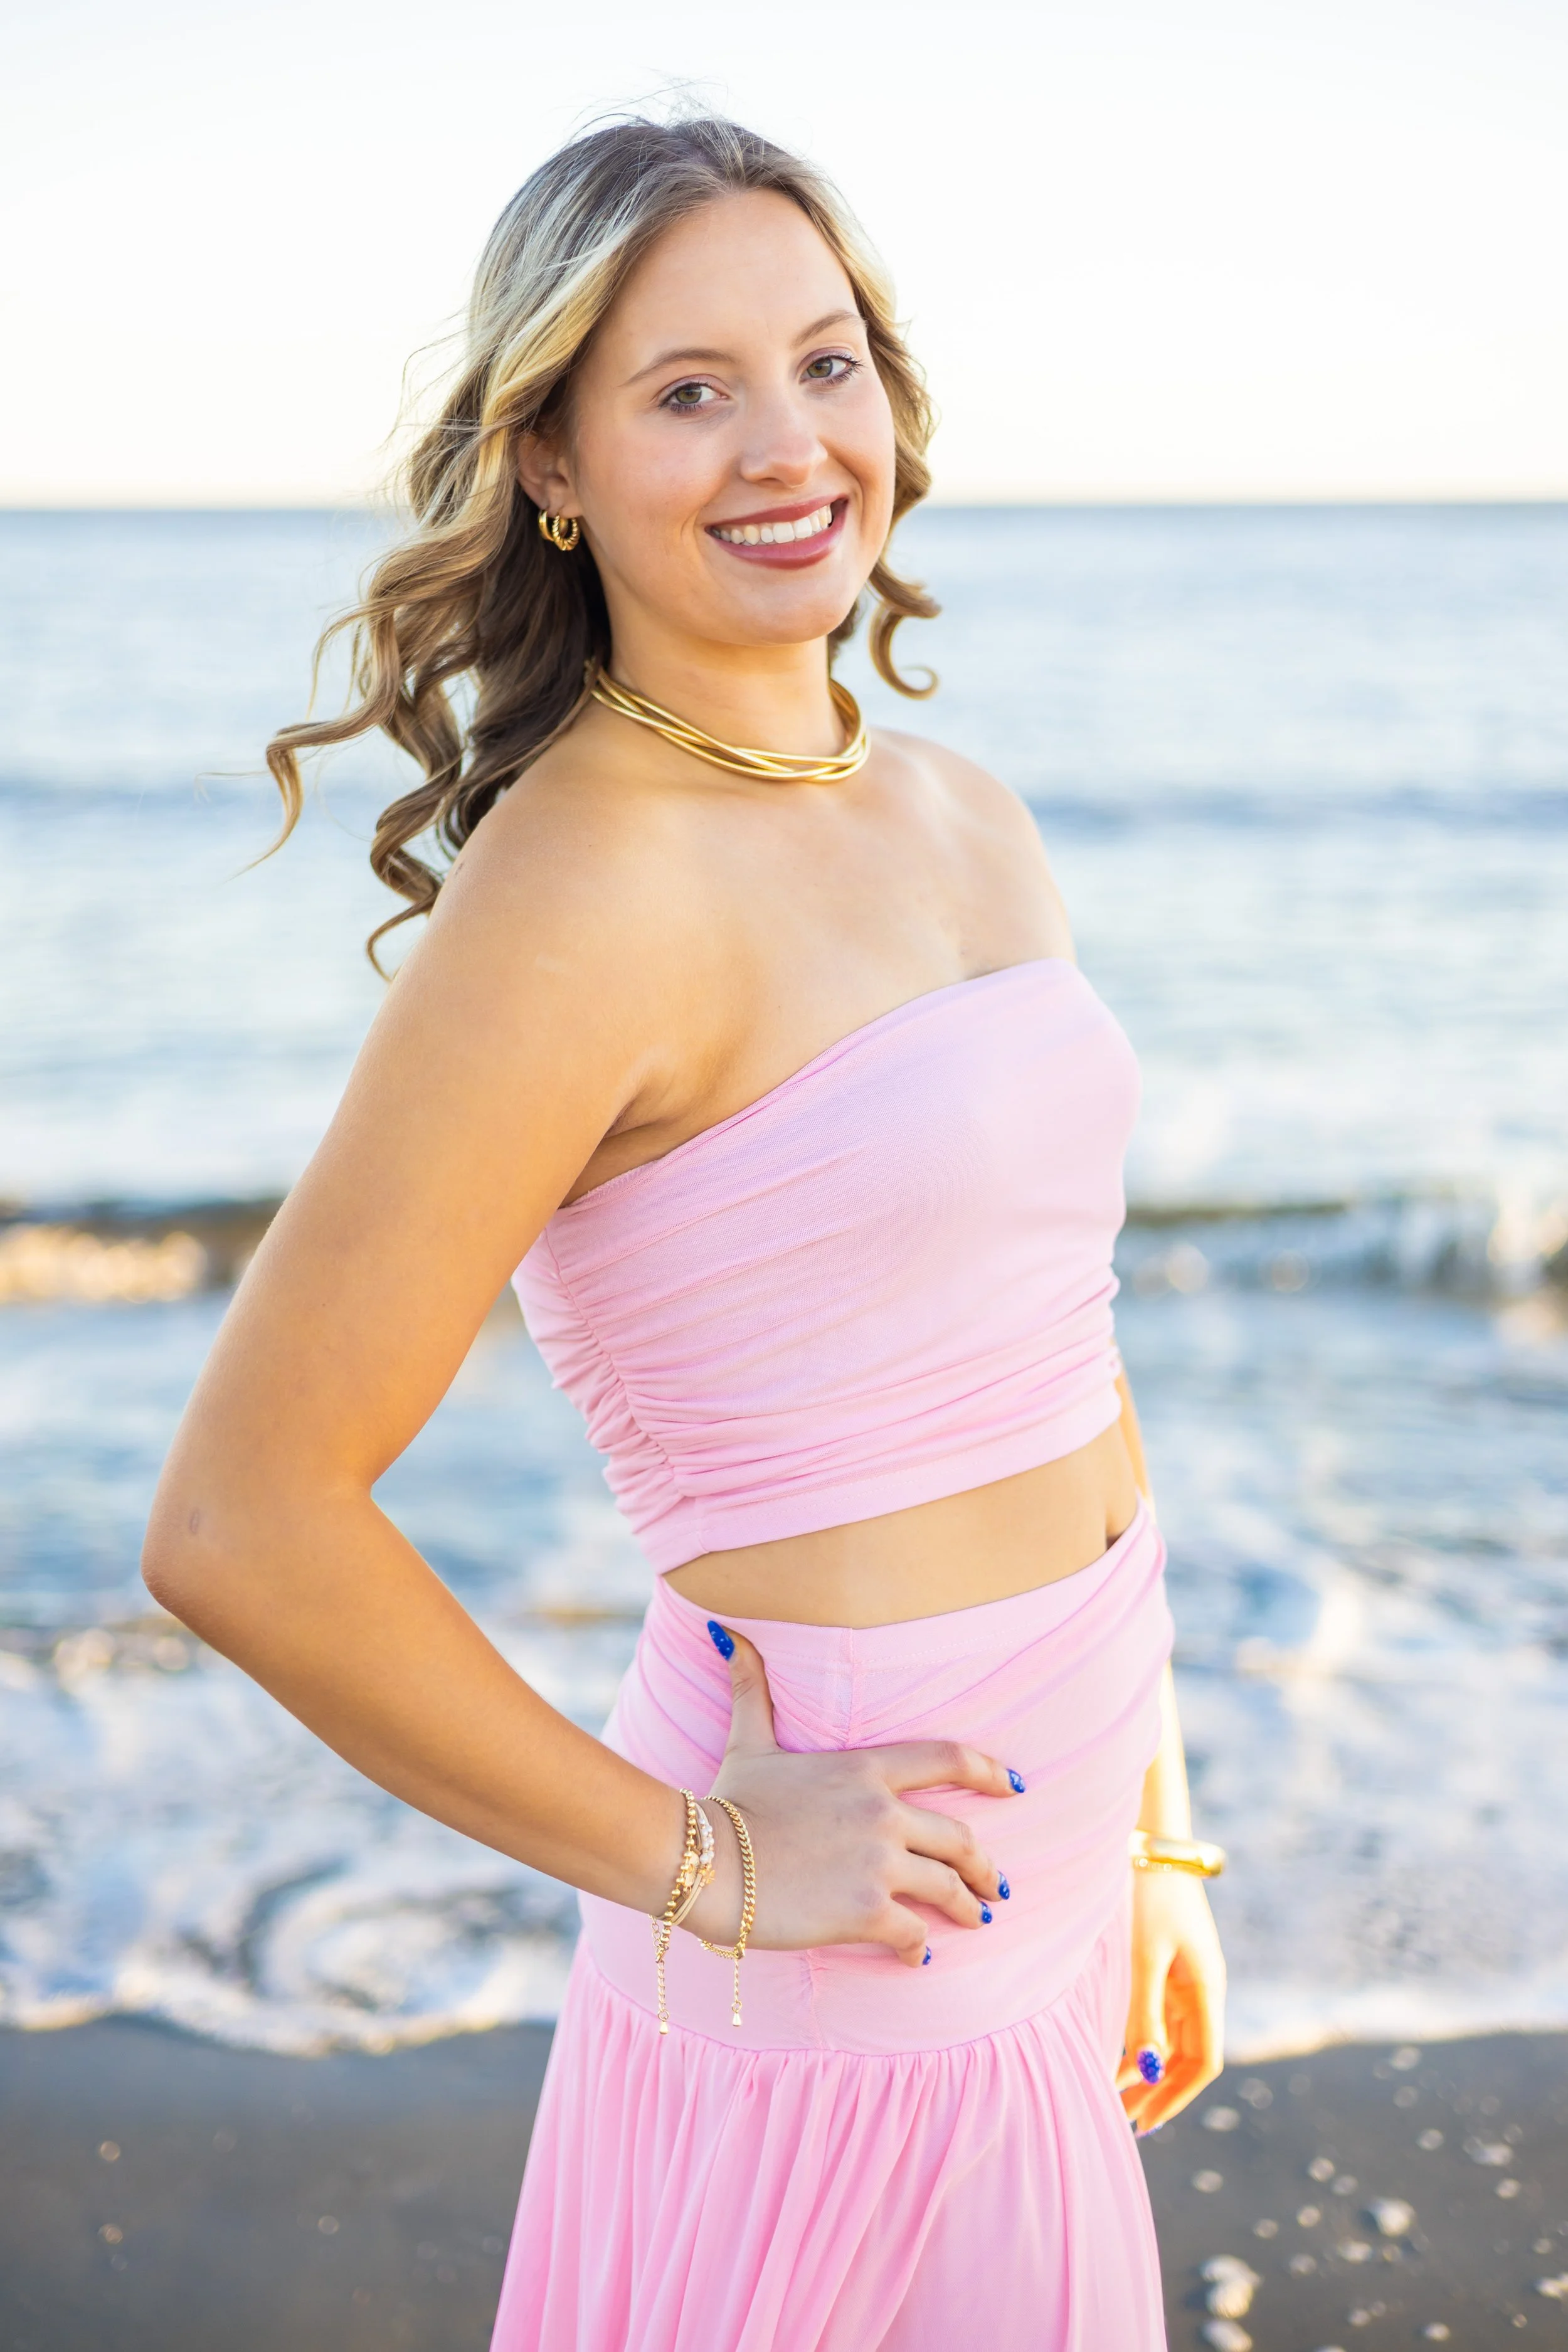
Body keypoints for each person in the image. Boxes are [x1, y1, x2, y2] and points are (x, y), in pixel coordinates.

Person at [143, 113, 1225, 2352]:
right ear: (549, 455)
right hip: (839, 1943)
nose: (785, 444)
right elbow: (241, 1521)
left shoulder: (951, 805)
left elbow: (1057, 1343)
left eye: (823, 362)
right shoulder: (575, 890)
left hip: (1038, 1846)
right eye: (686, 388)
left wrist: (1157, 1835)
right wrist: (710, 1860)